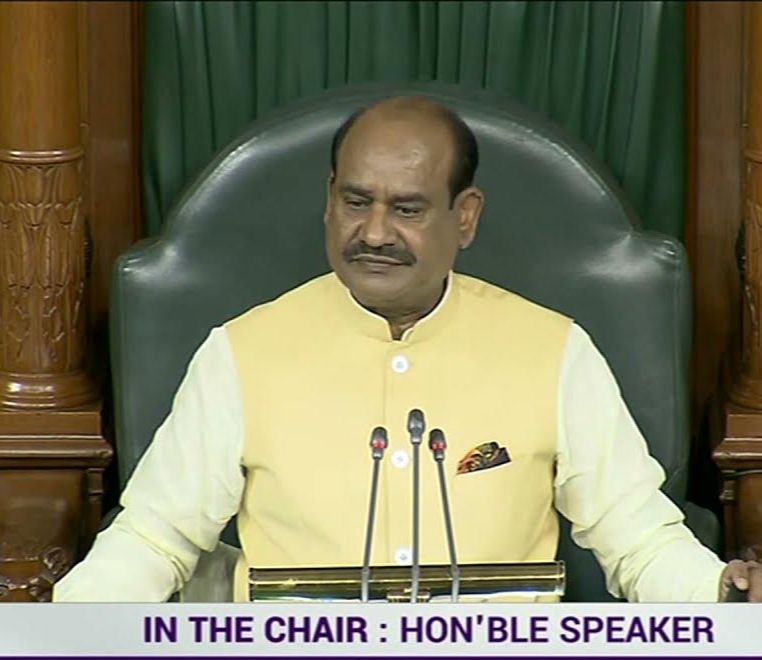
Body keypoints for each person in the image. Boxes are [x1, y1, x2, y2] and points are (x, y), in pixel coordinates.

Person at [54, 95, 762, 603]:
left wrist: (720, 592)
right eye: (356, 201)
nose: (374, 233)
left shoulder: (555, 351)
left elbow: (638, 539)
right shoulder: (241, 352)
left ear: (465, 216)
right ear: (329, 200)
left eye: (408, 209)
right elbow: (156, 537)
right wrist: (63, 630)